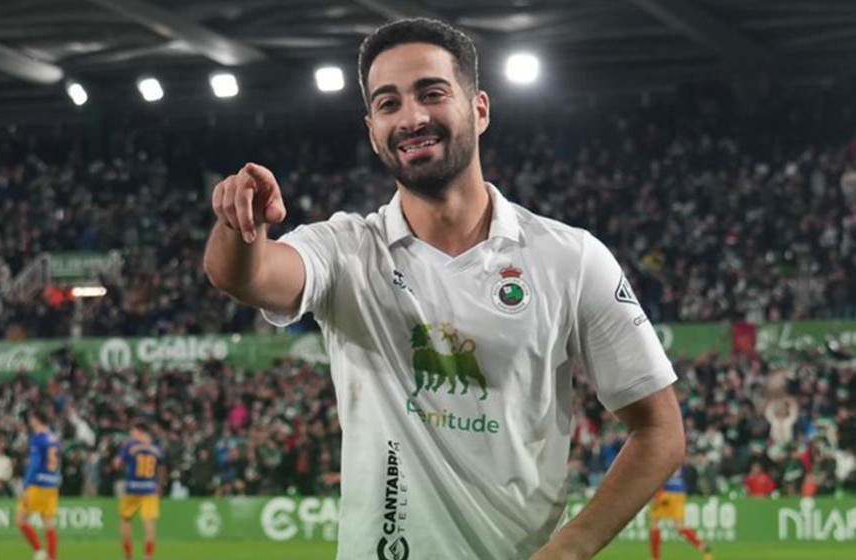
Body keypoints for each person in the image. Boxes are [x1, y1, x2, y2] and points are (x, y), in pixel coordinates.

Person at [204, 17, 685, 560]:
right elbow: (244, 276)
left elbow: (660, 429)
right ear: (371, 129)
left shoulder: (569, 257)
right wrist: (238, 224)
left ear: (480, 109)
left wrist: (572, 547)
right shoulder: (346, 250)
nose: (411, 117)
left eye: (431, 93)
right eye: (388, 104)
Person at [112, 421, 163, 560]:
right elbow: (161, 467)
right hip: (150, 489)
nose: (131, 434)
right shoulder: (156, 447)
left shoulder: (130, 445)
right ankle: (148, 556)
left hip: (132, 488)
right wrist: (160, 486)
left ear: (139, 431)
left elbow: (117, 464)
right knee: (149, 522)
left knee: (125, 519)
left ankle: (128, 555)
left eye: (133, 431)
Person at [16, 408, 61, 560]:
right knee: (49, 523)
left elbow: (34, 464)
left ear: (35, 419)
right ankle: (52, 557)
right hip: (52, 485)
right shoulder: (54, 437)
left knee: (20, 519)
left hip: (37, 485)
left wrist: (25, 485)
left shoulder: (38, 438)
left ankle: (39, 550)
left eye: (31, 419)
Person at [648, 466, 713, 560]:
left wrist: (657, 494)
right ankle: (701, 545)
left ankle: (655, 558)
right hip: (679, 491)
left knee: (654, 525)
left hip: (666, 491)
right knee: (680, 526)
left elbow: (660, 473)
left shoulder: (662, 454)